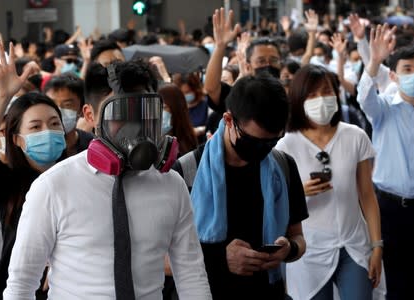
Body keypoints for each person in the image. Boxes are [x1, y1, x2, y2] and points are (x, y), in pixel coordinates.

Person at [3, 60, 212, 299]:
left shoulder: (172, 185)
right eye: (120, 114)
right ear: (90, 115)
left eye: (143, 112)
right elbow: (22, 283)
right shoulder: (53, 186)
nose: (135, 126)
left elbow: (191, 273)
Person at [174, 73, 308, 299]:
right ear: (228, 120)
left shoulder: (283, 167)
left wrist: (288, 250)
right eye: (254, 141)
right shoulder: (187, 171)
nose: (264, 149)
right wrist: (219, 260)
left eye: (272, 141)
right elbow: (163, 258)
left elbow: (299, 239)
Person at [275, 64, 383, 300]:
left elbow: (367, 196)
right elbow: (275, 202)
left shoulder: (355, 136)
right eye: (312, 95)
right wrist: (300, 192)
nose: (321, 100)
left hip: (353, 244)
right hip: (309, 249)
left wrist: (377, 246)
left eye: (326, 92)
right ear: (299, 100)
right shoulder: (285, 145)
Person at [0, 41, 66, 299]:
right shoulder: (10, 183)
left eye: (54, 123)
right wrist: (3, 96)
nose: (47, 131)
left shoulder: (78, 174)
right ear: (16, 139)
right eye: (36, 127)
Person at [357, 24, 414, 300]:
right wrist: (374, 61)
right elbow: (364, 97)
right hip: (388, 205)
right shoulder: (383, 110)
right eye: (408, 69)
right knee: (393, 279)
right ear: (394, 75)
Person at [43, 73, 94, 156]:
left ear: (82, 110)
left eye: (67, 105)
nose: (57, 111)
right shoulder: (37, 149)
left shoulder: (91, 146)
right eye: (51, 103)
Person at [158, 84, 198, 156]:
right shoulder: (152, 142)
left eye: (164, 107)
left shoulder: (186, 145)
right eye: (157, 107)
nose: (159, 112)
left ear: (176, 109)